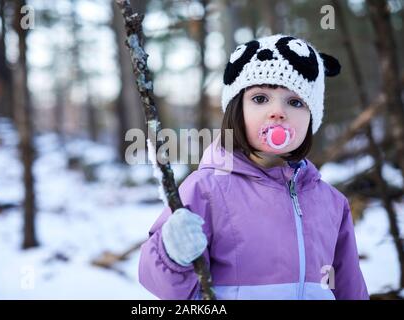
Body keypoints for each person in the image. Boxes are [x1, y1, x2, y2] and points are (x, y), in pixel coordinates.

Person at [138, 34, 369, 300]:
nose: (278, 112)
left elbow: (350, 288)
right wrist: (172, 254)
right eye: (260, 99)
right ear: (237, 110)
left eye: (295, 102)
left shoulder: (332, 203)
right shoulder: (206, 189)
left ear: (311, 119)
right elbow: (160, 282)